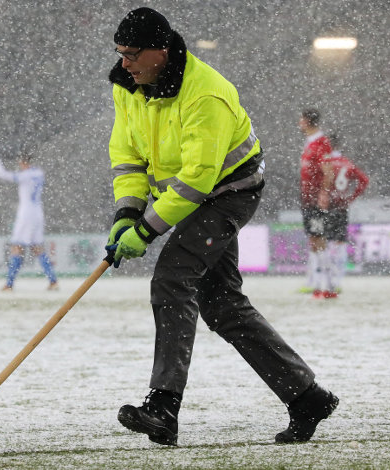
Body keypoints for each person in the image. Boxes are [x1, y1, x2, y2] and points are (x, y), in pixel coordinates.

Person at [105, 7, 338, 446]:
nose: (124, 63)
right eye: (119, 53)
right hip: (185, 194)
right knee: (222, 304)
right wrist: (126, 214)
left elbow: (197, 180)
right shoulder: (129, 86)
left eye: (132, 54)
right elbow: (128, 157)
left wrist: (146, 231)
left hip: (229, 191)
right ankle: (307, 396)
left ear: (161, 50)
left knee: (172, 279)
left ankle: (163, 407)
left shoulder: (206, 94)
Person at [0, 155, 58, 291]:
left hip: (26, 214)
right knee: (37, 248)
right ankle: (53, 281)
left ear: (24, 162)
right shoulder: (39, 173)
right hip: (38, 213)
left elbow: (4, 175)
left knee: (17, 248)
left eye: (21, 163)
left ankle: (9, 284)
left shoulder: (25, 175)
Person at [323, 133, 369, 293]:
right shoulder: (346, 163)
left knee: (327, 242)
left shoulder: (326, 163)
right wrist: (351, 197)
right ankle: (338, 279)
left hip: (328, 205)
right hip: (342, 206)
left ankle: (328, 280)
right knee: (340, 242)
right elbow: (364, 180)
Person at [298, 108, 335, 298]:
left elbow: (328, 171)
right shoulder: (310, 142)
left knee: (319, 239)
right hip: (307, 199)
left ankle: (327, 286)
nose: (299, 122)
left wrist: (322, 194)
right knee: (314, 240)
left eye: (301, 119)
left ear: (307, 121)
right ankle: (319, 284)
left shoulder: (321, 142)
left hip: (315, 200)